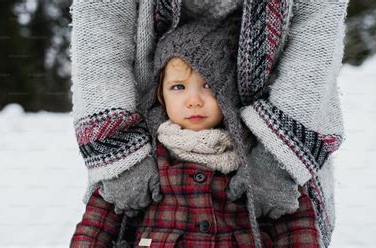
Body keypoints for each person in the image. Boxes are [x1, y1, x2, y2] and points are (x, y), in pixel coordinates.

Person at [69, 1, 349, 247]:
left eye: (208, 86)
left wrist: (280, 157)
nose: (193, 101)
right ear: (160, 93)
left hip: (270, 128)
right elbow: (100, 25)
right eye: (178, 87)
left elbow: (318, 27)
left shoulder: (247, 169)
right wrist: (119, 155)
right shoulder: (153, 156)